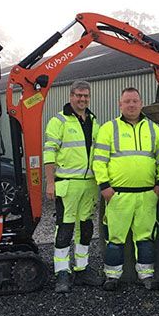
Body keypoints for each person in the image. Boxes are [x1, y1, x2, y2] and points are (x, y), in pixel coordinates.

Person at [92, 87, 159, 291]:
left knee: (145, 238)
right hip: (119, 196)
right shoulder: (108, 129)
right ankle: (112, 276)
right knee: (115, 240)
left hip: (147, 196)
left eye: (135, 101)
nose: (131, 105)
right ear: (120, 104)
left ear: (141, 104)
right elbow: (99, 161)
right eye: (127, 101)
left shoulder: (153, 129)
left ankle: (147, 276)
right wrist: (105, 187)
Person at [43, 80, 104, 293]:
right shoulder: (58, 121)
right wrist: (50, 182)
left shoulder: (94, 121)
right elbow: (49, 152)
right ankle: (61, 272)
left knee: (85, 228)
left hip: (89, 183)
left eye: (86, 96)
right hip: (67, 183)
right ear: (71, 96)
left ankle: (82, 268)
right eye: (78, 95)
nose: (82, 99)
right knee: (64, 229)